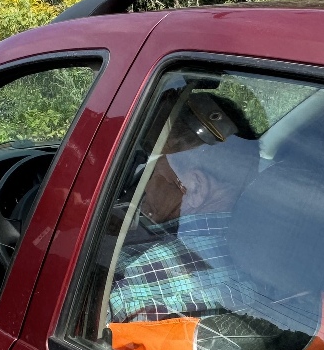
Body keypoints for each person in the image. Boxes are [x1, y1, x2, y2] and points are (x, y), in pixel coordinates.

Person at [108, 95, 262, 323]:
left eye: (153, 172)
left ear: (196, 188)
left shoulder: (142, 280)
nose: (145, 187)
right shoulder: (267, 257)